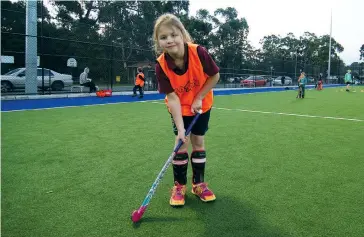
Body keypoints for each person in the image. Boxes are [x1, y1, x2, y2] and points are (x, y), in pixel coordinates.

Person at [153, 13, 220, 206]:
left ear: (182, 34)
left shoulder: (199, 52)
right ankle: (179, 186)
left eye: (173, 35)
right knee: (181, 143)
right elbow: (172, 97)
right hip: (180, 107)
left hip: (201, 105)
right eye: (163, 37)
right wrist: (181, 128)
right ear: (158, 41)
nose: (169, 40)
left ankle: (198, 184)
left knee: (198, 141)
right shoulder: (161, 65)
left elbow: (214, 76)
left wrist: (199, 97)